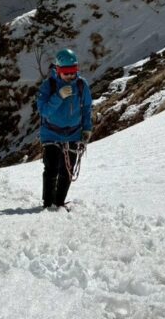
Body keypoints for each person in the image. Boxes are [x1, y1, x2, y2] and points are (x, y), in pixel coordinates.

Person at [36, 49, 93, 209]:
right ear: (58, 70)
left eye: (73, 72)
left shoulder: (82, 85)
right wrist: (58, 97)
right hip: (51, 134)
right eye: (66, 73)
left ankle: (59, 202)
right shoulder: (49, 86)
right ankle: (47, 203)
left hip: (74, 134)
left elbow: (87, 108)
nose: (70, 76)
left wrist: (87, 128)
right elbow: (44, 110)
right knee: (51, 168)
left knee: (68, 171)